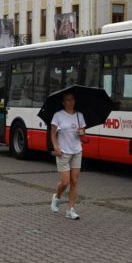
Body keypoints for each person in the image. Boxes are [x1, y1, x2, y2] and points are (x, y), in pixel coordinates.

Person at [49, 91, 86, 220]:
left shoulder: (79, 116)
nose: (71, 102)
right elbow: (53, 133)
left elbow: (83, 135)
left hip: (77, 151)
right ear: (63, 102)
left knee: (74, 181)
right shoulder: (58, 116)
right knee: (65, 182)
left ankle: (70, 209)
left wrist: (82, 133)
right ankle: (57, 196)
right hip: (63, 152)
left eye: (72, 99)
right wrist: (56, 147)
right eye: (68, 100)